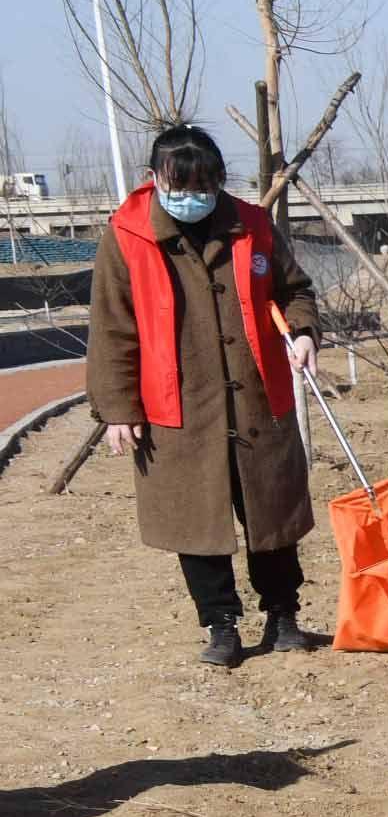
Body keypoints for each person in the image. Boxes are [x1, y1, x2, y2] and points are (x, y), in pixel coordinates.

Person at [83, 120, 324, 667]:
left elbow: (295, 290)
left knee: (273, 512)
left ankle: (283, 613)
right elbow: (113, 327)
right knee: (196, 519)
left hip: (258, 397)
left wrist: (304, 331)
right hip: (177, 404)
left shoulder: (253, 226)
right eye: (180, 186)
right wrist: (118, 408)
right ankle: (220, 624)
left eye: (205, 187)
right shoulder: (127, 236)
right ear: (154, 177)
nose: (192, 198)